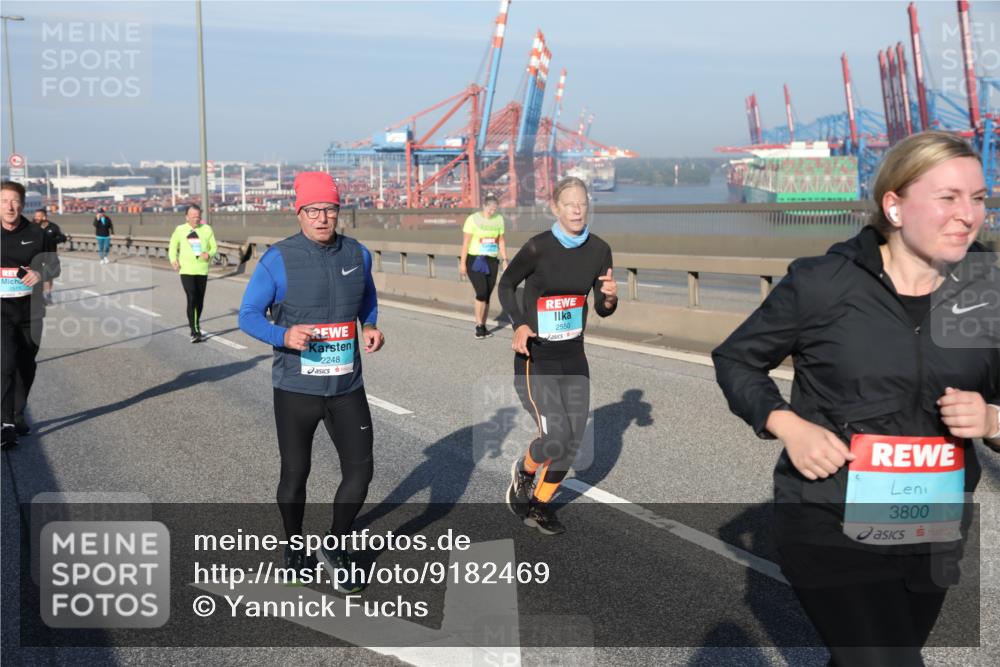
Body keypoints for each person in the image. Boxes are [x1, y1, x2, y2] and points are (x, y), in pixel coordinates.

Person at [712, 131, 1000, 665]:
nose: (969, 214)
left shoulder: (984, 289)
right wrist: (787, 424)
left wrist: (990, 419)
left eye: (978, 198)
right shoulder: (825, 283)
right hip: (830, 518)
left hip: (932, 526)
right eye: (948, 198)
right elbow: (736, 359)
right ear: (894, 205)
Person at [239, 172, 384, 592]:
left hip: (346, 387)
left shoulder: (357, 253)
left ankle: (335, 547)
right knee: (295, 474)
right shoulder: (277, 260)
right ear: (299, 212)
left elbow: (367, 296)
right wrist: (283, 335)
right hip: (296, 390)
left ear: (339, 211)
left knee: (361, 472)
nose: (322, 218)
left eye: (330, 209)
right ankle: (293, 546)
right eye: (313, 210)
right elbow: (247, 315)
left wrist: (370, 325)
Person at [499, 176, 618, 535]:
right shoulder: (538, 248)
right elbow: (506, 284)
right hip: (537, 359)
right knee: (556, 436)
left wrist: (611, 298)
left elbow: (604, 307)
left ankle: (541, 503)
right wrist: (519, 323)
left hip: (574, 357)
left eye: (582, 202)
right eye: (569, 203)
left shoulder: (600, 250)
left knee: (573, 439)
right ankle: (525, 468)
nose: (577, 209)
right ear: (555, 207)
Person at [1, 182, 59, 448]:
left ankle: (17, 412)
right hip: (1, 312)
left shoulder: (37, 233)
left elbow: (53, 265)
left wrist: (40, 273)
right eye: (4, 201)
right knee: (6, 363)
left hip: (31, 310)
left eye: (14, 201)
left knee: (26, 364)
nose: (10, 207)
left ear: (23, 205)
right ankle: (5, 423)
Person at [459, 194, 508, 338]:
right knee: (481, 291)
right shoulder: (472, 219)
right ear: (484, 207)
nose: (492, 212)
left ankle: (484, 325)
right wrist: (462, 264)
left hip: (491, 260)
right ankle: (478, 325)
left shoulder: (499, 219)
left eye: (495, 210)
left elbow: (501, 242)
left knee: (487, 294)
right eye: (490, 210)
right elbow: (466, 243)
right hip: (475, 260)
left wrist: (505, 259)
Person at [169, 204, 218, 343]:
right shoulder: (180, 230)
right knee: (191, 297)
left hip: (202, 270)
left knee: (200, 301)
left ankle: (195, 323)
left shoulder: (207, 229)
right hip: (186, 270)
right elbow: (173, 246)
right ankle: (194, 330)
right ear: (187, 217)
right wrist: (173, 260)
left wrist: (208, 254)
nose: (197, 219)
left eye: (198, 216)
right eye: (194, 217)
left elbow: (214, 247)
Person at [33, 208, 66, 305]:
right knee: (38, 276)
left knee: (49, 276)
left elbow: (61, 237)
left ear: (44, 217)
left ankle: (48, 294)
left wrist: (54, 240)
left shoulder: (53, 227)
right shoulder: (33, 227)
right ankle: (39, 295)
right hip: (37, 256)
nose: (36, 218)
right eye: (35, 216)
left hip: (51, 255)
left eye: (38, 216)